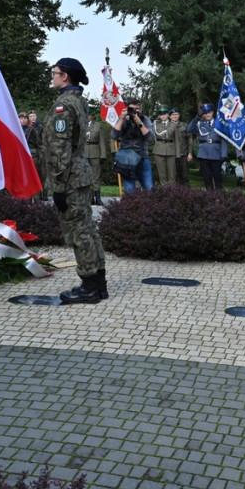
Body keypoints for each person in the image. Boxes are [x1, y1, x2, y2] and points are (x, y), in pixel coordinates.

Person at [45, 57, 107, 305]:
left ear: (65, 76)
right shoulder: (78, 101)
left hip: (69, 177)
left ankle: (89, 287)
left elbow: (60, 149)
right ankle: (98, 283)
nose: (52, 76)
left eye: (55, 72)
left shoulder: (64, 105)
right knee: (88, 229)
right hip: (79, 173)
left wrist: (58, 187)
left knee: (79, 231)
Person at [112, 97, 155, 192]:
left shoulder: (145, 120)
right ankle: (131, 206)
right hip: (127, 156)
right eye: (132, 109)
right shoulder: (122, 119)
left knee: (149, 187)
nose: (135, 111)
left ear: (141, 110)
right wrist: (122, 118)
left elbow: (150, 137)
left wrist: (139, 122)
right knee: (129, 189)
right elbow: (114, 135)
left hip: (142, 155)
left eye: (137, 109)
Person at [187, 103, 226, 190]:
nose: (207, 114)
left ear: (213, 112)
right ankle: (209, 197)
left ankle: (220, 197)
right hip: (203, 154)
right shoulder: (200, 124)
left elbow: (224, 140)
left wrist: (224, 154)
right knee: (207, 178)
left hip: (216, 153)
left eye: (209, 112)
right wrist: (197, 117)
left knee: (218, 177)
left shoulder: (219, 124)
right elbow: (189, 129)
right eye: (205, 113)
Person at [152, 106, 178, 186]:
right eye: (161, 114)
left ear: (168, 115)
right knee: (162, 174)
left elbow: (177, 139)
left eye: (165, 114)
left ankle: (172, 192)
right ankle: (164, 192)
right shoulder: (155, 124)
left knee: (172, 173)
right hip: (159, 150)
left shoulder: (173, 124)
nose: (163, 116)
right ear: (159, 116)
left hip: (171, 150)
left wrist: (178, 153)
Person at [85, 113, 106, 204]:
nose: (86, 117)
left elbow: (102, 141)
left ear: (91, 116)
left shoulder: (97, 126)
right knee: (86, 176)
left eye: (88, 115)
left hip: (95, 153)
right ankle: (90, 198)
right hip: (84, 154)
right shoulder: (80, 126)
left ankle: (98, 198)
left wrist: (103, 155)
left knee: (96, 176)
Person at [171, 108, 191, 185]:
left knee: (185, 175)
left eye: (176, 114)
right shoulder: (168, 126)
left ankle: (187, 194)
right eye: (173, 114)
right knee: (175, 176)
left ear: (179, 115)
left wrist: (190, 153)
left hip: (183, 153)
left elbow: (190, 139)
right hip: (172, 154)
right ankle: (177, 193)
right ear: (170, 116)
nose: (174, 116)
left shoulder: (185, 125)